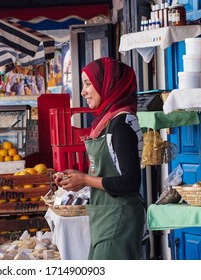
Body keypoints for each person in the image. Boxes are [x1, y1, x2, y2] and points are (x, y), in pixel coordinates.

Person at [54, 57, 144, 260]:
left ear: (108, 84)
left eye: (88, 84)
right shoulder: (106, 121)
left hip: (119, 218)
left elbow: (130, 182)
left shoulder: (121, 123)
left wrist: (85, 180)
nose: (83, 91)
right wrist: (79, 177)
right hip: (105, 217)